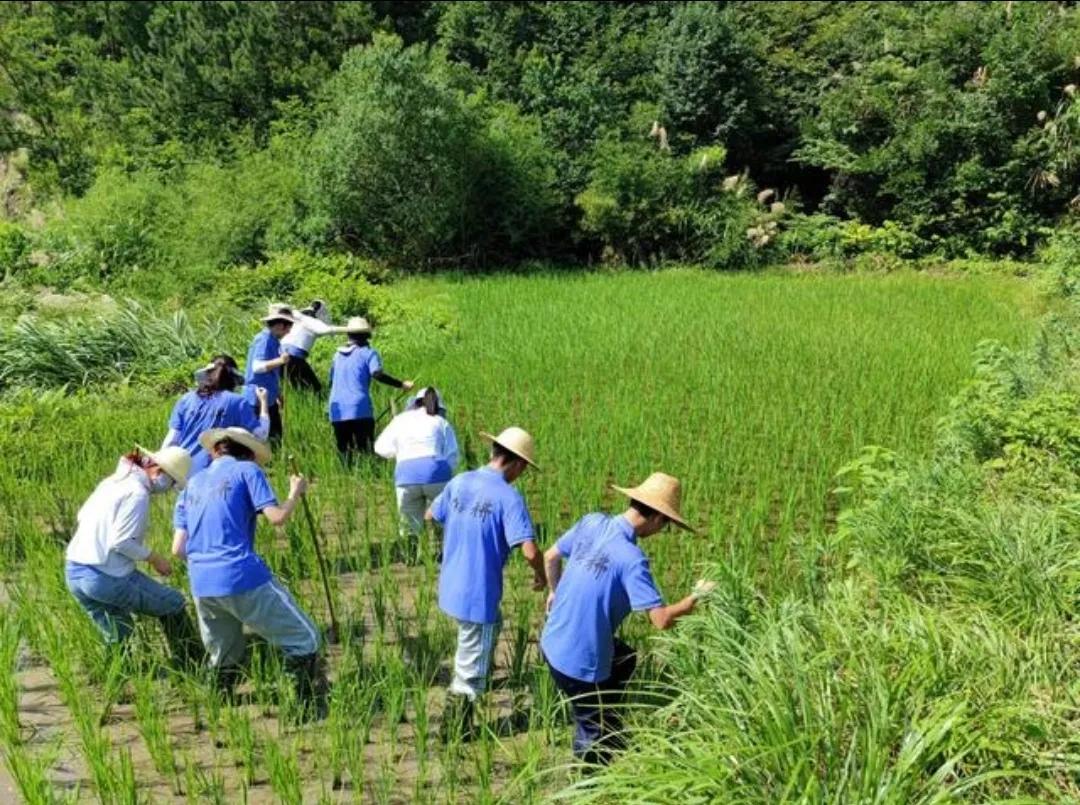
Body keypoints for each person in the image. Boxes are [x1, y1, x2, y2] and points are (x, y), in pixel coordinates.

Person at [539, 472, 716, 766]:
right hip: (578, 666)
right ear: (658, 519)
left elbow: (550, 557)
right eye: (667, 525)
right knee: (592, 736)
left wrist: (554, 592)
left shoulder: (591, 521)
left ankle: (608, 720)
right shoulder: (632, 559)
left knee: (625, 658)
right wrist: (696, 597)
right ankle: (590, 776)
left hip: (550, 642)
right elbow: (661, 621)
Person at [171, 426, 328, 719]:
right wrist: (295, 493)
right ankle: (306, 709)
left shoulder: (190, 485)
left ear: (215, 450)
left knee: (224, 653)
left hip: (201, 582)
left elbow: (178, 549)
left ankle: (219, 708)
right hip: (240, 573)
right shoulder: (248, 471)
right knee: (305, 637)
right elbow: (277, 518)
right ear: (249, 453)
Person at [425, 426, 547, 739]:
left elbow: (430, 515)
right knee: (471, 668)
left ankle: (456, 724)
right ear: (518, 464)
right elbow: (530, 549)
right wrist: (541, 574)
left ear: (493, 452)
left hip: (450, 586)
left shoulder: (460, 480)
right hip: (477, 593)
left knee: (468, 648)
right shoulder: (509, 497)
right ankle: (453, 732)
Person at [64, 444, 203, 669]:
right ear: (158, 472)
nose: (168, 489)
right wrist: (155, 558)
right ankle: (192, 663)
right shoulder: (137, 494)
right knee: (173, 603)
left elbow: (82, 516)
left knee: (118, 634)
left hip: (74, 573)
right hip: (105, 577)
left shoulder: (111, 482)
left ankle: (117, 687)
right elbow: (122, 541)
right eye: (172, 483)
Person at [374, 387, 459, 545]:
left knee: (408, 522)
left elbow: (379, 447)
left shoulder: (400, 419)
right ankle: (443, 553)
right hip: (437, 473)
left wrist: (399, 453)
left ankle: (410, 558)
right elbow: (453, 455)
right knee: (444, 516)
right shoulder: (441, 422)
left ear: (414, 403)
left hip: (406, 475)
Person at [161, 355, 270, 477]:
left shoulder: (185, 399)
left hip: (182, 471)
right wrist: (264, 402)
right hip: (215, 474)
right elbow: (261, 435)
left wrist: (161, 465)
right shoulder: (238, 402)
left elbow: (171, 440)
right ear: (233, 380)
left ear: (206, 376)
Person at [328, 317, 413, 460]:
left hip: (337, 409)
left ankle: (347, 477)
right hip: (359, 408)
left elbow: (331, 381)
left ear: (348, 335)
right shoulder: (368, 353)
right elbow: (377, 374)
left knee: (344, 451)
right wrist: (401, 384)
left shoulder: (337, 356)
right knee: (365, 450)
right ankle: (368, 474)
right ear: (367, 335)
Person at [243, 303, 296, 443]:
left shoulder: (273, 340)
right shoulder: (264, 340)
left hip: (268, 397)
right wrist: (281, 360)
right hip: (257, 398)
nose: (289, 332)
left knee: (276, 436)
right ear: (279, 325)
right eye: (288, 327)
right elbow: (257, 367)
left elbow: (271, 373)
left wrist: (277, 393)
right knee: (261, 438)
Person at [281, 300, 348, 394]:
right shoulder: (312, 321)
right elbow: (327, 330)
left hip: (279, 356)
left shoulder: (297, 317)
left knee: (296, 389)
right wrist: (350, 329)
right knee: (316, 391)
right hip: (294, 358)